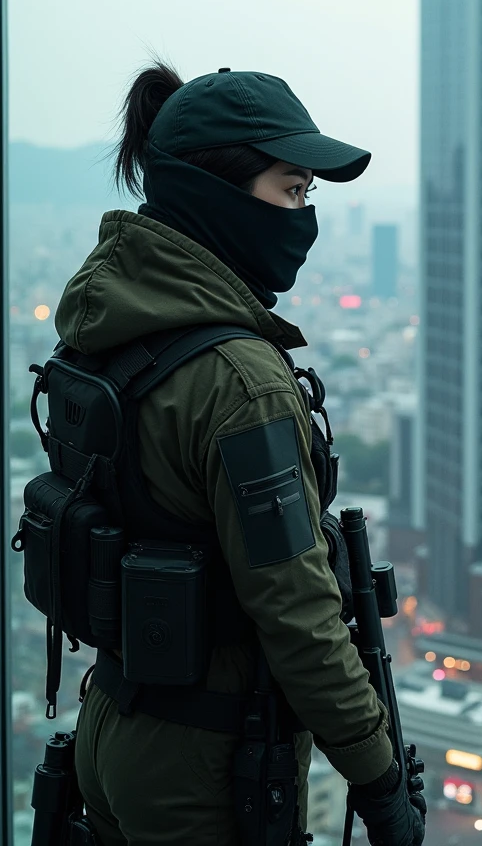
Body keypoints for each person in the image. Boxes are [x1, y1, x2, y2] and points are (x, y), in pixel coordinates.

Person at [56, 63, 426, 846]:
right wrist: (381, 779)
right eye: (291, 190)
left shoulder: (110, 324)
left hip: (114, 719)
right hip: (204, 768)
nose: (304, 217)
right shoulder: (238, 382)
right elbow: (297, 615)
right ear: (215, 192)